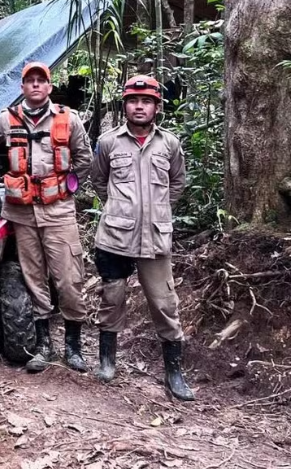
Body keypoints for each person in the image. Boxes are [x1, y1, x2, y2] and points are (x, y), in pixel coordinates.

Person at [90, 75, 194, 401]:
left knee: (165, 303)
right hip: (115, 238)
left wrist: (157, 211)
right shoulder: (108, 143)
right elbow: (98, 180)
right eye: (133, 101)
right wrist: (121, 211)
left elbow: (177, 183)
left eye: (146, 101)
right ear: (125, 106)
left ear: (156, 107)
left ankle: (174, 373)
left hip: (155, 238)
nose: (139, 106)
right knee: (112, 297)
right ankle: (107, 361)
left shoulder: (170, 144)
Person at [0, 62, 92, 373]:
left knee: (69, 278)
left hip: (58, 211)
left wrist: (67, 185)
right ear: (22, 87)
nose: (35, 86)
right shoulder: (7, 120)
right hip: (21, 212)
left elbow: (84, 158)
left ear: (49, 86)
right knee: (33, 277)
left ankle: (73, 346)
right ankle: (44, 345)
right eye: (29, 81)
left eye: (40, 81)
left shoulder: (68, 119)